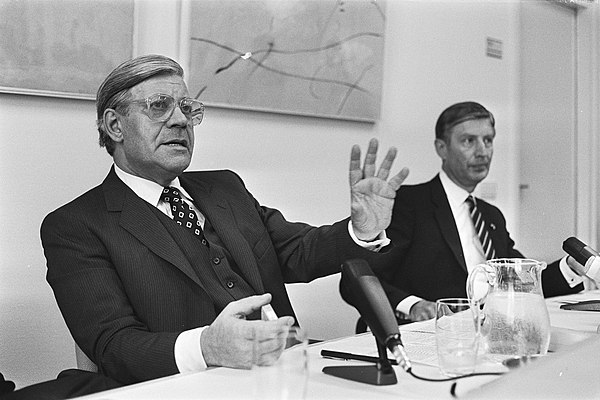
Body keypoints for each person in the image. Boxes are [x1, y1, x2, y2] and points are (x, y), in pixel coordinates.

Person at [39, 54, 409, 391]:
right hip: (192, 388)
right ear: (115, 126)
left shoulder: (225, 187)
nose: (181, 120)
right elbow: (113, 345)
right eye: (159, 106)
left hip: (292, 373)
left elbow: (296, 252)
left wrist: (361, 230)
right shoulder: (75, 226)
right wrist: (207, 347)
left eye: (187, 108)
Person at [371, 101, 589, 322]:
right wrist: (413, 306)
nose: (482, 151)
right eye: (468, 141)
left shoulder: (491, 216)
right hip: (427, 336)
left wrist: (570, 267)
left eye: (488, 140)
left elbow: (524, 281)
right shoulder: (409, 203)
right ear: (441, 148)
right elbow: (361, 277)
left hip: (489, 334)